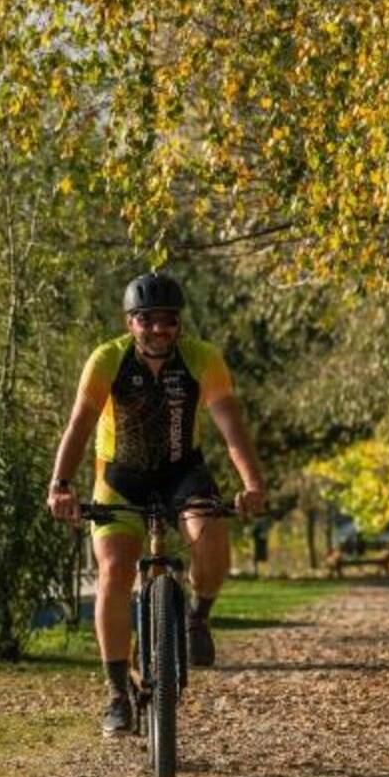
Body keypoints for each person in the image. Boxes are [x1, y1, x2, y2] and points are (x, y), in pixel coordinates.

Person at [47, 271, 266, 736]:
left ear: (179, 323)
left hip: (182, 472)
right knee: (114, 571)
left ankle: (197, 617)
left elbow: (230, 425)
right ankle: (116, 693)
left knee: (210, 536)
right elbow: (80, 425)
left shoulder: (202, 359)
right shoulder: (108, 359)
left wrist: (252, 483)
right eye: (147, 320)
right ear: (130, 322)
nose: (158, 329)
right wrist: (60, 485)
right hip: (120, 476)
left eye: (168, 320)